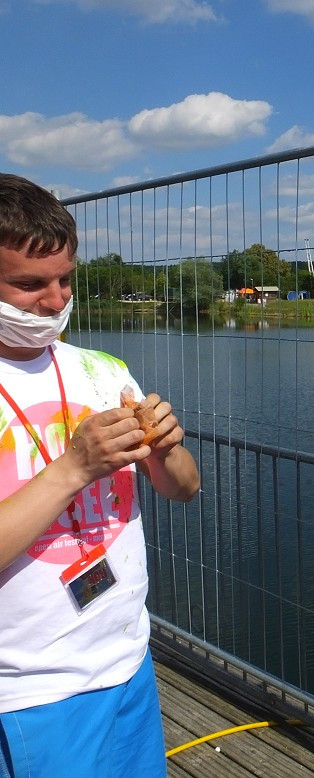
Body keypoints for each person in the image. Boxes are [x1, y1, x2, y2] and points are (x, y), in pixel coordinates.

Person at [0, 174, 201, 777]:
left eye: (65, 279)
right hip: (30, 692)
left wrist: (165, 450)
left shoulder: (101, 369)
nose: (56, 300)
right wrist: (75, 469)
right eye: (29, 284)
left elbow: (185, 488)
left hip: (126, 662)